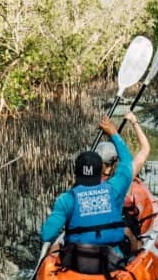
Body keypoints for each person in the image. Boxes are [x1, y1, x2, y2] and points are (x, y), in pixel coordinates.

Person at [40, 115, 134, 271]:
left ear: (75, 174)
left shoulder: (66, 199)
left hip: (76, 262)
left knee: (56, 247)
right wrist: (113, 133)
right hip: (112, 261)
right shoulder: (114, 189)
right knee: (130, 243)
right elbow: (127, 162)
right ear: (101, 172)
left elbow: (47, 235)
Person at [94, 110, 150, 254]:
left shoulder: (86, 182)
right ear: (113, 164)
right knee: (126, 229)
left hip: (94, 235)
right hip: (116, 229)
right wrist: (134, 122)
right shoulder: (124, 177)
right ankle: (134, 249)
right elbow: (145, 149)